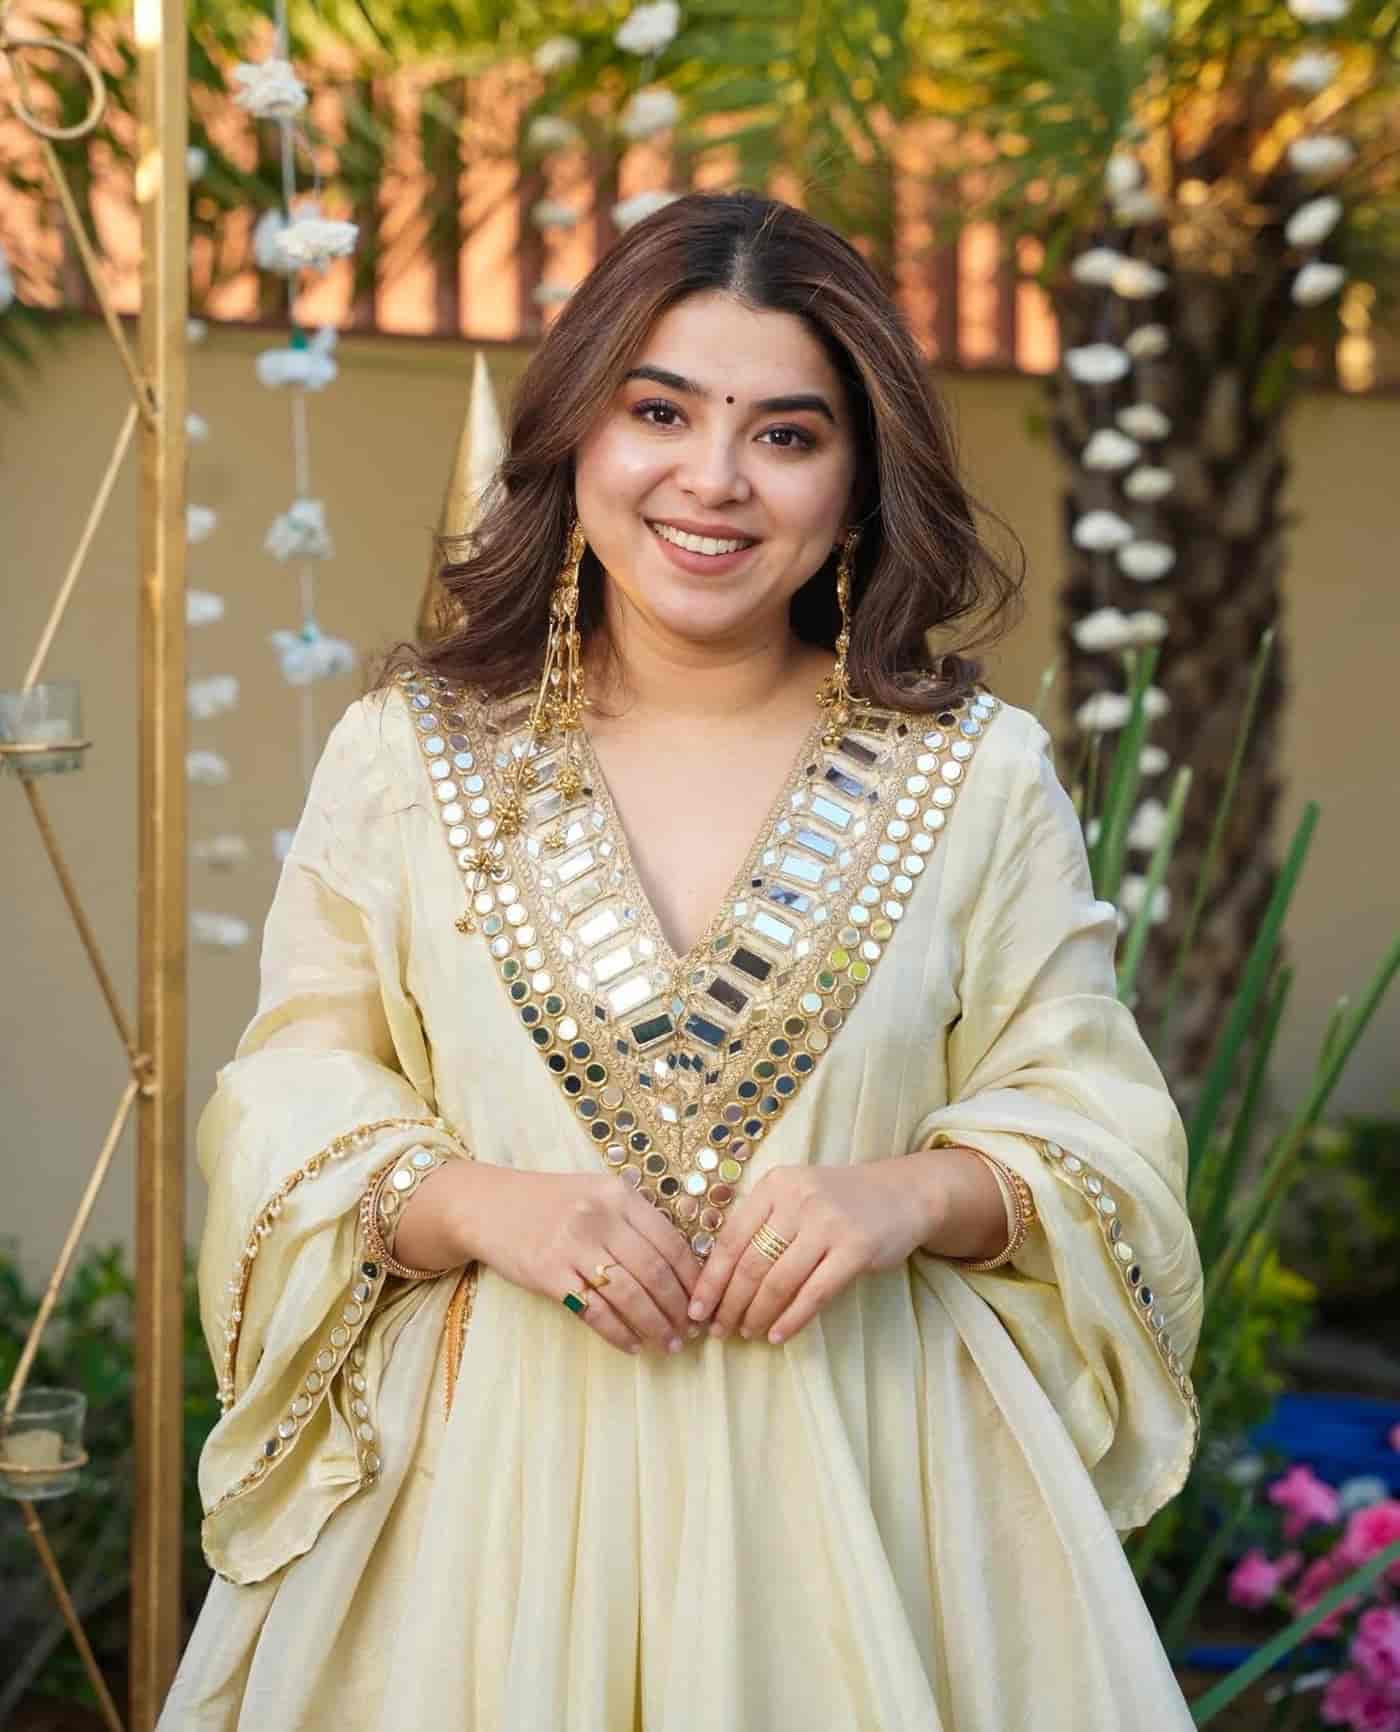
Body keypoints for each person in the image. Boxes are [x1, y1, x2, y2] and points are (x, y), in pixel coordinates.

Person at [159, 190, 1204, 1731]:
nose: (712, 480)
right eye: (660, 412)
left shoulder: (974, 776)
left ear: (856, 487)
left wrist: (904, 1191)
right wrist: (475, 1201)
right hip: (480, 1519)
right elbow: (288, 1094)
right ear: (578, 434)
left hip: (877, 1501)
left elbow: (1097, 1119)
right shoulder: (408, 757)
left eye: (787, 434)